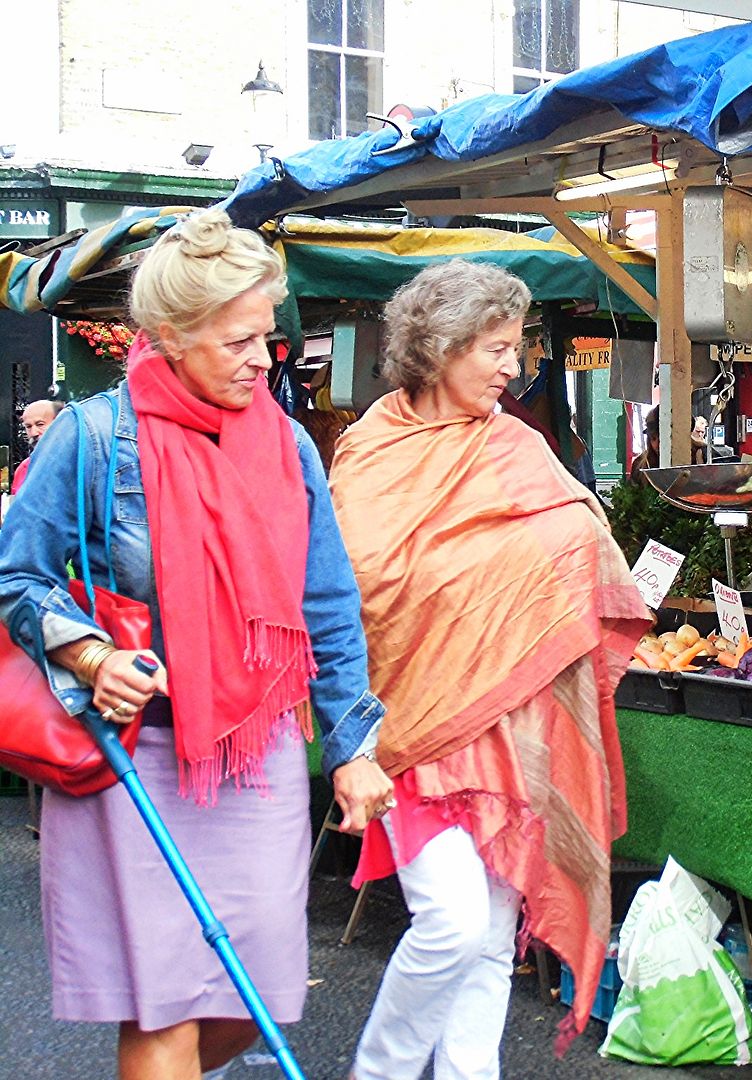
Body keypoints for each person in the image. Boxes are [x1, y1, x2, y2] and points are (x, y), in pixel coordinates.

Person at [0, 208, 392, 1080]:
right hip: (133, 751)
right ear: (171, 337)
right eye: (239, 342)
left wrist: (354, 748)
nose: (263, 360)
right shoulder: (93, 437)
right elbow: (15, 579)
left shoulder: (288, 444)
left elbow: (325, 601)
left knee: (259, 992)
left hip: (257, 748)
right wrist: (92, 655)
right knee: (165, 1002)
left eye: (269, 340)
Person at [329, 260, 650, 1080]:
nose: (515, 367)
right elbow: (351, 584)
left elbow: (582, 538)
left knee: (491, 927)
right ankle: (384, 1070)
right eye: (498, 348)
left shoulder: (516, 444)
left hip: (514, 722)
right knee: (451, 922)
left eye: (518, 347)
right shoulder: (370, 449)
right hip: (409, 723)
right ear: (442, 348)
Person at [10, 398, 64, 496]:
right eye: (28, 427)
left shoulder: (78, 462)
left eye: (40, 424)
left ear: (59, 423)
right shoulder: (24, 468)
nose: (33, 433)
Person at [628, 406, 661, 482]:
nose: (657, 445)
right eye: (653, 438)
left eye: (663, 438)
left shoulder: (692, 460)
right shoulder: (639, 464)